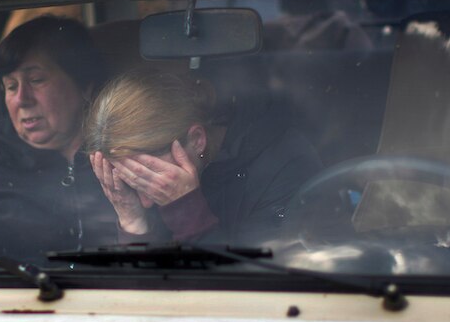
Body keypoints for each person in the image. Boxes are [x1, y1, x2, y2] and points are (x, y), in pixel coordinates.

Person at [0, 15, 116, 260]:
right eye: (10, 86)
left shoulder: (124, 154)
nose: (21, 99)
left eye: (36, 80)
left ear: (85, 85)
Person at [84, 68, 321, 245]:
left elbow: (253, 294)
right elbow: (134, 301)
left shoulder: (285, 166)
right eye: (129, 180)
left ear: (197, 139)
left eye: (146, 174)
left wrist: (188, 214)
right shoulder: (130, 198)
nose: (145, 202)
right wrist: (133, 223)